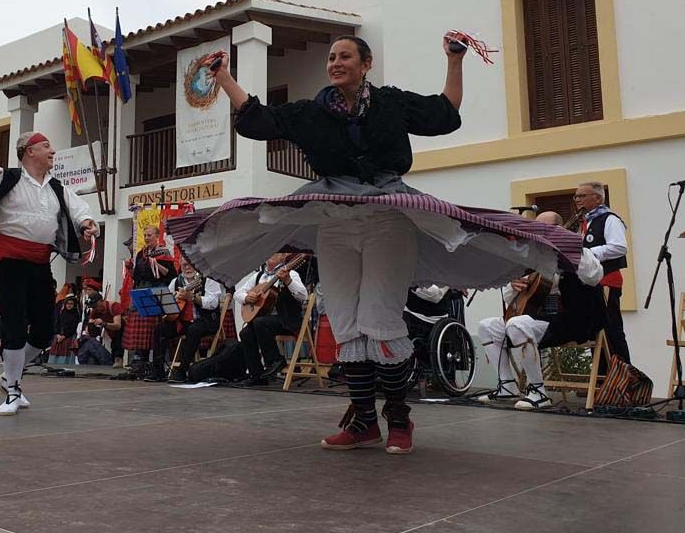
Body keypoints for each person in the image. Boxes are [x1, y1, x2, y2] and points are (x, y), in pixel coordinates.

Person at [168, 36, 585, 454]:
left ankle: (399, 418)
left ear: (366, 63)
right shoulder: (313, 112)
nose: (335, 63)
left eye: (345, 56)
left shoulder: (390, 103)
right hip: (334, 222)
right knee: (346, 320)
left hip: (387, 220)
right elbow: (259, 120)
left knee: (380, 319)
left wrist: (454, 61)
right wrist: (223, 76)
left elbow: (444, 113)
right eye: (331, 57)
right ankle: (364, 420)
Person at [0, 132, 97, 415]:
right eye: (46, 146)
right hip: (10, 262)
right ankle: (14, 389)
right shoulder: (8, 177)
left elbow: (80, 210)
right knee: (14, 326)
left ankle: (7, 377)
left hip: (40, 263)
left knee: (44, 333)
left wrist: (88, 223)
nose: (52, 151)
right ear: (29, 151)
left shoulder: (57, 187)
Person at [477, 211, 606, 409]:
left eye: (546, 229)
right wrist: (514, 284)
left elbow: (594, 276)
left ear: (559, 231)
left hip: (576, 321)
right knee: (487, 326)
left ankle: (538, 392)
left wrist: (567, 250)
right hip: (544, 320)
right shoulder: (536, 258)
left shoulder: (578, 252)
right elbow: (511, 301)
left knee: (517, 324)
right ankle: (507, 387)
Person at [572, 181, 630, 362]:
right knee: (594, 332)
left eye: (582, 196)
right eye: (576, 196)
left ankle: (623, 380)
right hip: (589, 283)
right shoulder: (582, 222)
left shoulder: (609, 219)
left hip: (607, 281)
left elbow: (619, 247)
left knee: (612, 330)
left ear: (597, 198)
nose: (578, 200)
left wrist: (589, 253)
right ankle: (602, 381)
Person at [232, 254, 307, 386]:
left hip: (287, 320)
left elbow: (303, 296)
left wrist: (288, 280)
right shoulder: (258, 276)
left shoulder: (291, 273)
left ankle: (275, 360)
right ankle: (257, 376)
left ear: (283, 257)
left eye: (276, 252)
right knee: (245, 333)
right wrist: (246, 297)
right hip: (264, 323)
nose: (271, 254)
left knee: (259, 323)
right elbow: (237, 293)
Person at [147, 256, 224, 382]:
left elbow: (213, 303)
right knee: (159, 330)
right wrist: (169, 303)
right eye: (184, 265)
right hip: (183, 321)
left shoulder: (207, 279)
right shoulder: (176, 282)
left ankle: (182, 371)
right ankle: (158, 370)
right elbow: (167, 302)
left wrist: (192, 297)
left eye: (189, 264)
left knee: (193, 330)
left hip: (206, 320)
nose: (187, 267)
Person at [122, 225, 176, 376]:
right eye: (145, 235)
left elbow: (171, 274)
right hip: (142, 292)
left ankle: (157, 364)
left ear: (157, 236)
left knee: (154, 330)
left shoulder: (164, 252)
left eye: (149, 235)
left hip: (156, 292)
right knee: (141, 333)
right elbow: (137, 276)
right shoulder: (141, 254)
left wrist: (156, 264)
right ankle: (140, 362)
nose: (146, 238)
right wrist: (130, 268)